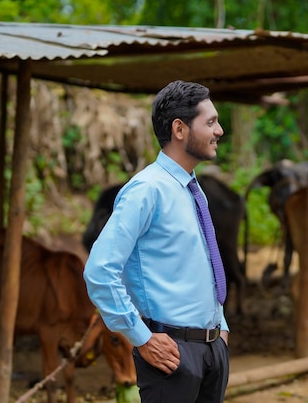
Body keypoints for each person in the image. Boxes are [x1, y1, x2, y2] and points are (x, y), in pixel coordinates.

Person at [83, 80, 229, 403]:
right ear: (180, 129)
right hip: (171, 355)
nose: (219, 130)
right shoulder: (146, 190)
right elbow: (100, 270)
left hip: (211, 351)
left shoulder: (193, 189)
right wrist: (142, 338)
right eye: (211, 122)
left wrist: (219, 327)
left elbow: (200, 265)